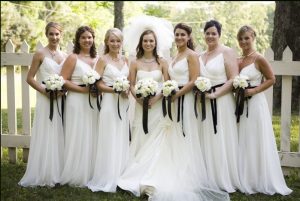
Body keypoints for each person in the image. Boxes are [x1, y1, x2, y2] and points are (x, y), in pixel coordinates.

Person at [119, 16, 229, 201]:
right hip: (165, 102)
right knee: (165, 136)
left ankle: (182, 172)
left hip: (177, 100)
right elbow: (165, 81)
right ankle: (143, 168)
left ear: (188, 37)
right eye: (177, 34)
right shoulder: (173, 57)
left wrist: (171, 94)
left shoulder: (188, 56)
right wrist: (141, 96)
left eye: (182, 35)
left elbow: (192, 80)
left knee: (182, 134)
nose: (179, 37)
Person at [236, 25, 292, 195]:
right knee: (242, 137)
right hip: (239, 104)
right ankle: (242, 176)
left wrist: (253, 91)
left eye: (247, 37)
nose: (244, 41)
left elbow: (271, 79)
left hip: (255, 103)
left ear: (253, 37)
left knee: (255, 137)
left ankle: (258, 178)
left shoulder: (259, 58)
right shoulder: (239, 60)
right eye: (241, 39)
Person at [19, 22, 67, 187]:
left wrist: (62, 91)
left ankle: (59, 171)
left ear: (61, 35)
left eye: (57, 34)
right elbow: (30, 78)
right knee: (46, 131)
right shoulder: (40, 53)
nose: (54, 37)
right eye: (51, 34)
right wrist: (45, 91)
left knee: (59, 132)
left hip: (60, 99)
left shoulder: (65, 56)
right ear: (46, 35)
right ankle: (43, 171)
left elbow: (67, 79)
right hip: (45, 99)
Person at [198, 20, 242, 193]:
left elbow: (233, 78)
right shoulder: (200, 56)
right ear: (204, 34)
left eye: (213, 33)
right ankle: (208, 176)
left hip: (222, 101)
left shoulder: (227, 52)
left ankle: (224, 177)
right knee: (206, 137)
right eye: (207, 33)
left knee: (221, 137)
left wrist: (215, 94)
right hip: (204, 102)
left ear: (219, 34)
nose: (210, 36)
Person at [87, 28, 130, 192]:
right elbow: (97, 83)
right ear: (106, 42)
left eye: (118, 41)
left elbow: (130, 80)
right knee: (109, 137)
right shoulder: (102, 60)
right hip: (109, 103)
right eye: (112, 40)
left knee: (121, 136)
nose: (115, 44)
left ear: (121, 42)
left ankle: (121, 175)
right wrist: (114, 90)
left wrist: (126, 89)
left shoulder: (126, 60)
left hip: (124, 103)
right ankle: (107, 176)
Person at [59, 26, 99, 187]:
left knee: (92, 133)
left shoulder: (98, 59)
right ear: (78, 40)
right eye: (83, 37)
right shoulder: (73, 58)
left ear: (93, 39)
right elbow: (64, 80)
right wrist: (83, 90)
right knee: (77, 134)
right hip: (76, 101)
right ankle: (75, 172)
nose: (87, 40)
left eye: (89, 37)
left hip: (94, 102)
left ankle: (91, 172)